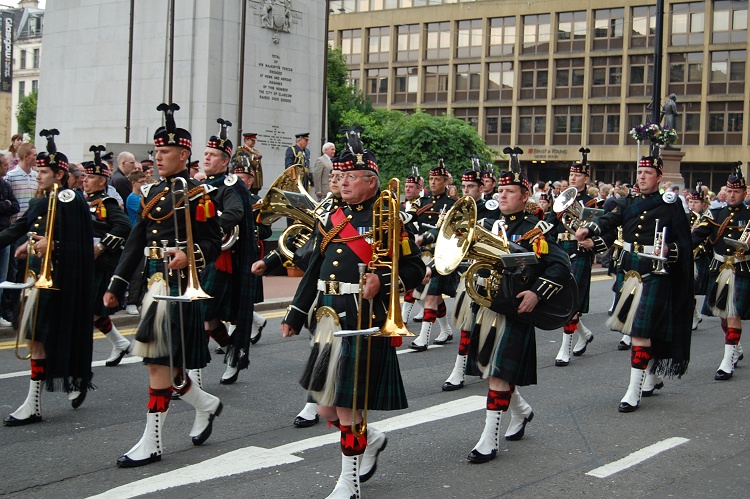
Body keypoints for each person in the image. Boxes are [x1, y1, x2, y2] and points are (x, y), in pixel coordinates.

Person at [280, 130, 425, 497]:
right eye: (340, 176)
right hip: (328, 315)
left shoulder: (391, 215)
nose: (342, 182)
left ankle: (349, 481)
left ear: (371, 181)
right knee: (326, 408)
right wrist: (295, 314)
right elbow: (314, 266)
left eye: (350, 177)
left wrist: (384, 280)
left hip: (364, 318)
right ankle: (370, 440)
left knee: (348, 408)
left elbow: (415, 268)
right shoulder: (329, 212)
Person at [103, 103, 222, 467]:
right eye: (156, 151)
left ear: (183, 154)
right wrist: (117, 283)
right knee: (165, 366)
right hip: (153, 283)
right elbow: (136, 240)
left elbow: (214, 241)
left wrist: (191, 254)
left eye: (165, 151)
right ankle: (205, 403)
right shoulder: (153, 191)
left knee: (157, 363)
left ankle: (151, 442)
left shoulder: (198, 193)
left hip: (180, 285)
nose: (158, 157)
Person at [464, 148, 570, 463]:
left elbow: (560, 266)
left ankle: (489, 440)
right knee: (493, 371)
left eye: (510, 191)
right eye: (500, 190)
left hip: (517, 310)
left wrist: (537, 292)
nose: (503, 195)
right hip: (487, 306)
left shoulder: (534, 230)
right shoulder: (490, 225)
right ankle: (522, 411)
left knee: (498, 374)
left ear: (525, 196)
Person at [576, 154, 692, 412]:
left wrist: (669, 251)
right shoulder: (627, 202)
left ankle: (633, 390)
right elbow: (609, 221)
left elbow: (684, 243)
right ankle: (649, 373)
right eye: (640, 172)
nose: (641, 176)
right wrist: (590, 229)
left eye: (647, 173)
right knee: (640, 331)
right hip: (630, 273)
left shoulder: (669, 205)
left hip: (655, 272)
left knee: (640, 331)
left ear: (659, 177)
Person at [3, 129, 94, 425]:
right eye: (38, 170)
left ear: (58, 174)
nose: (38, 175)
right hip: (36, 281)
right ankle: (34, 403)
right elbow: (17, 231)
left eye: (43, 171)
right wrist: (23, 245)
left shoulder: (71, 200)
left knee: (58, 338)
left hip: (62, 282)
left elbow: (81, 243)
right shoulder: (39, 202)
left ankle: (74, 378)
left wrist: (52, 244)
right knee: (36, 340)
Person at [546, 150, 607, 367]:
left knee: (571, 300)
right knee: (563, 297)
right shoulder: (562, 199)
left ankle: (565, 348)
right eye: (571, 174)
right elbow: (551, 223)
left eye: (578, 175)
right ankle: (584, 334)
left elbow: (601, 229)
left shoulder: (592, 202)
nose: (573, 178)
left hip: (580, 251)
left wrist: (593, 242)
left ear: (586, 178)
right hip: (562, 249)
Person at [441, 166, 499, 392]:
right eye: (463, 186)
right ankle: (459, 370)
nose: (466, 191)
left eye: (471, 187)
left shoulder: (491, 209)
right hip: (470, 273)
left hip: (491, 274)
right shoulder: (460, 209)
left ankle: (491, 366)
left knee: (492, 326)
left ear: (482, 187)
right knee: (466, 325)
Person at [692, 164, 749, 381]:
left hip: (742, 268)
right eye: (729, 191)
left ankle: (727, 362)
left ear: (744, 193)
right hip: (719, 268)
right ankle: (736, 348)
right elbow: (697, 236)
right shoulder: (716, 213)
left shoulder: (749, 215)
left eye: (737, 191)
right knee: (724, 317)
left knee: (733, 314)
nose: (732, 195)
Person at [82, 146, 132, 366]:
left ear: (102, 181)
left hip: (100, 264)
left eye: (90, 177)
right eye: (84, 176)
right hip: (84, 262)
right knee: (91, 310)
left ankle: (78, 359)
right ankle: (120, 342)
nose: (85, 180)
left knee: (88, 310)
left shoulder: (107, 203)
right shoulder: (82, 202)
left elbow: (124, 226)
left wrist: (101, 247)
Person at [410, 159, 459, 351]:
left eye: (437, 179)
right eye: (431, 179)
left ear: (446, 182)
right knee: (434, 297)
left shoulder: (453, 204)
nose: (433, 182)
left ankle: (423, 338)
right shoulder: (422, 202)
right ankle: (446, 330)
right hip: (422, 254)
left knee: (432, 295)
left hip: (441, 255)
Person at [2, 142, 38, 323]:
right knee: (13, 272)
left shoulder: (37, 176)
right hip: (17, 230)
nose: (37, 158)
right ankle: (9, 309)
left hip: (33, 230)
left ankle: (20, 309)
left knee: (27, 271)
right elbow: (10, 204)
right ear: (25, 156)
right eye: (34, 155)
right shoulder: (11, 177)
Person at [0, 155, 20, 327]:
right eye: (4, 165)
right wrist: (5, 204)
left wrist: (5, 204)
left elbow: (15, 206)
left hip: (5, 235)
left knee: (3, 276)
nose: (7, 167)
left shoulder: (5, 185)